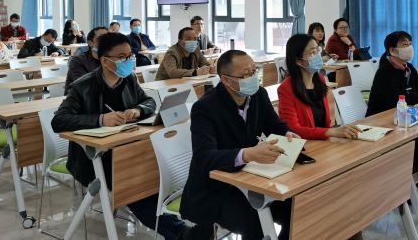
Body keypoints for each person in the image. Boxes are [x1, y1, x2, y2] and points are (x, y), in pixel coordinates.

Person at [52, 33, 197, 240]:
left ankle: (188, 220)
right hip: (94, 159)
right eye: (122, 57)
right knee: (134, 182)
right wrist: (101, 119)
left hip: (129, 147)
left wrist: (137, 110)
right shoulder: (82, 86)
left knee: (158, 172)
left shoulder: (128, 79)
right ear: (104, 60)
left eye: (130, 56)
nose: (128, 61)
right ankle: (179, 231)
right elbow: (59, 121)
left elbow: (149, 102)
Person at [180, 50, 296, 240]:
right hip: (215, 189)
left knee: (295, 209)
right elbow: (204, 157)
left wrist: (287, 133)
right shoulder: (205, 108)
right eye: (246, 75)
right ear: (226, 80)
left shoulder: (259, 94)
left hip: (251, 179)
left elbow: (275, 125)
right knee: (256, 225)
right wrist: (247, 154)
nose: (253, 78)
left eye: (254, 71)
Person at [278, 34, 362, 140]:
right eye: (312, 52)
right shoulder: (286, 89)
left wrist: (333, 132)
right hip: (304, 144)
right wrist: (331, 132)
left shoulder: (320, 80)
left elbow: (325, 123)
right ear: (298, 61)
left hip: (323, 141)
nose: (317, 56)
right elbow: (293, 130)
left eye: (317, 50)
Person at [366, 31, 418, 116]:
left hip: (400, 114)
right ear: (393, 50)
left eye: (410, 44)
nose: (409, 47)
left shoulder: (409, 67)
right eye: (405, 45)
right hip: (380, 117)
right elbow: (399, 99)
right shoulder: (385, 71)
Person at [64, 26, 107, 94]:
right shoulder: (77, 61)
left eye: (108, 38)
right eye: (101, 38)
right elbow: (84, 87)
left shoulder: (111, 59)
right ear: (90, 43)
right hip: (80, 98)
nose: (106, 42)